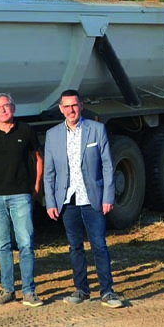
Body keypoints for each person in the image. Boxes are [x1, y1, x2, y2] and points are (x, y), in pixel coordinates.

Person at [44, 89, 125, 309]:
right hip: (67, 200)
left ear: (81, 106)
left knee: (99, 245)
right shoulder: (52, 135)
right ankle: (81, 289)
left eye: (74, 105)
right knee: (75, 247)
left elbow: (108, 165)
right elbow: (49, 172)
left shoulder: (96, 130)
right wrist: (51, 201)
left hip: (93, 199)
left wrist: (108, 196)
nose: (71, 110)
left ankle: (107, 291)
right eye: (66, 106)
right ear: (60, 109)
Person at [0, 92, 44, 308]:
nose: (3, 110)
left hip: (21, 195)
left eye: (7, 106)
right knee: (3, 245)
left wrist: (37, 186)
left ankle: (29, 291)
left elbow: (38, 157)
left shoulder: (25, 130)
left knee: (25, 244)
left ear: (13, 107)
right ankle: (7, 290)